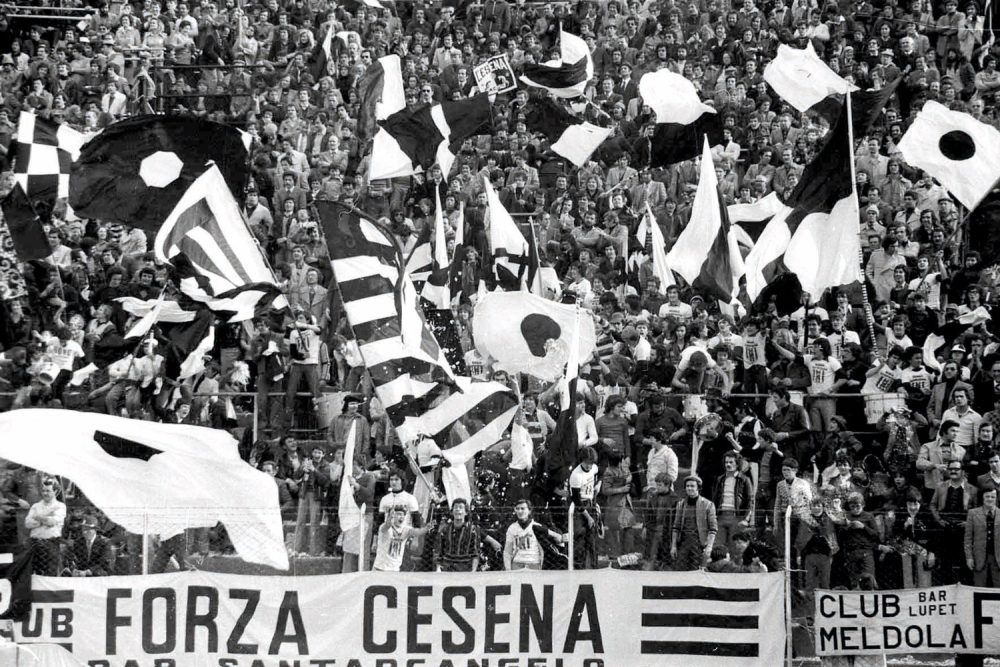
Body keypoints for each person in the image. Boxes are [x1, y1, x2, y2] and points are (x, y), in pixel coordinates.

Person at [503, 499, 568, 571]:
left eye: (523, 508)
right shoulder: (512, 528)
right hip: (517, 565)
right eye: (517, 509)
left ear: (529, 511)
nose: (520, 511)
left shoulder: (537, 527)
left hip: (533, 564)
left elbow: (556, 541)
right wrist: (508, 570)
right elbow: (507, 551)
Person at [670, 475, 718, 571]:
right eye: (687, 486)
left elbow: (713, 529)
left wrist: (709, 547)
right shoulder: (681, 504)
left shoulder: (708, 505)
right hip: (683, 543)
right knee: (679, 569)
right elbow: (676, 527)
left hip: (699, 544)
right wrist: (673, 546)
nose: (689, 488)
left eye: (692, 486)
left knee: (696, 570)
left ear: (698, 488)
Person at [24, 478, 65, 576]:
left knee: (50, 573)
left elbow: (52, 522)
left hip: (51, 543)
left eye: (48, 491)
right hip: (34, 542)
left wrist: (37, 517)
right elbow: (27, 523)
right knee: (35, 573)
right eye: (43, 490)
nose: (45, 493)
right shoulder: (35, 506)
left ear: (55, 491)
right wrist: (45, 517)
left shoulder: (60, 506)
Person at [372, 507, 432, 572]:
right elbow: (387, 525)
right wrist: (390, 517)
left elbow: (417, 532)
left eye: (403, 515)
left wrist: (426, 528)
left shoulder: (405, 529)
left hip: (395, 569)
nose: (401, 516)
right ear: (392, 515)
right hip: (380, 568)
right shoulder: (384, 527)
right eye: (398, 514)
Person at [569, 446, 601, 569]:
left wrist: (598, 484)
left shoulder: (594, 468)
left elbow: (600, 473)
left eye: (591, 463)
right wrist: (588, 517)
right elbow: (576, 500)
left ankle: (594, 567)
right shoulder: (576, 475)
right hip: (580, 507)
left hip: (591, 503)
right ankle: (579, 568)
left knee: (592, 541)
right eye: (586, 463)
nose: (589, 466)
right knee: (580, 540)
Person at [433, 498, 481, 572]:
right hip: (447, 568)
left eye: (461, 507)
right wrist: (438, 569)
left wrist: (473, 572)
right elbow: (439, 551)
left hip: (465, 569)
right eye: (455, 507)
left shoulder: (472, 530)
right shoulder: (445, 529)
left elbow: (475, 553)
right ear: (452, 512)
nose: (457, 509)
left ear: (466, 512)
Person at [965, 487, 1000, 587]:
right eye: (987, 496)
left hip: (998, 559)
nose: (990, 499)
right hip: (979, 557)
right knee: (979, 587)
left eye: (993, 497)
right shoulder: (972, 513)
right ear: (982, 498)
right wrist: (969, 557)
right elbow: (968, 539)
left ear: (996, 498)